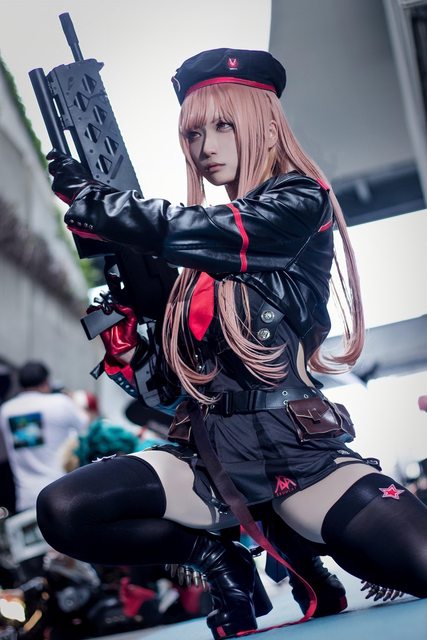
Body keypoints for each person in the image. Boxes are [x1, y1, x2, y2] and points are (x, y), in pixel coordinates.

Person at [36, 48, 427, 639]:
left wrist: (101, 205)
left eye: (223, 126)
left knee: (418, 561)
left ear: (263, 124)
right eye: (194, 134)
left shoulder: (299, 202)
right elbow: (170, 391)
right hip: (210, 458)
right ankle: (222, 560)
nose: (206, 147)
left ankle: (308, 553)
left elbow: (221, 232)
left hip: (302, 459)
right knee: (64, 510)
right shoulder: (193, 264)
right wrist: (131, 352)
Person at [0, 361, 88, 512]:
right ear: (46, 382)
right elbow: (87, 427)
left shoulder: (6, 410)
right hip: (62, 493)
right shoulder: (60, 402)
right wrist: (74, 400)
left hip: (26, 498)